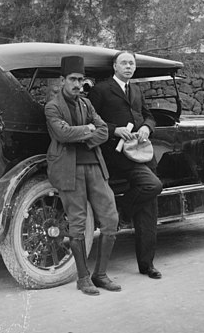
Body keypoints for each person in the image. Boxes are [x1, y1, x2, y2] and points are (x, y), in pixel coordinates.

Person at [44, 55, 121, 295]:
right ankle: (82, 278)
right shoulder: (52, 106)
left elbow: (103, 132)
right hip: (69, 170)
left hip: (95, 166)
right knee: (77, 225)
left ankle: (100, 274)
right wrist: (87, 130)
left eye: (81, 79)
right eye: (73, 79)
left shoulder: (86, 104)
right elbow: (62, 135)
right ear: (62, 80)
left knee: (110, 220)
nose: (78, 84)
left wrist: (84, 133)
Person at [89, 51, 164, 279]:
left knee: (149, 209)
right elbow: (89, 121)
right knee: (153, 185)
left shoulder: (136, 90)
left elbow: (149, 116)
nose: (128, 67)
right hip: (116, 156)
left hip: (142, 153)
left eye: (132, 63)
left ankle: (146, 265)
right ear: (115, 66)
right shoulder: (101, 90)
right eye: (124, 63)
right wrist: (114, 130)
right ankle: (122, 212)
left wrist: (146, 128)